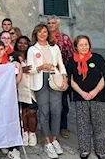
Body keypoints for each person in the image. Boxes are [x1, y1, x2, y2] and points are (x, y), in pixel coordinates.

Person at [67, 35, 105, 159]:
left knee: (98, 124)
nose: (84, 47)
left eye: (86, 44)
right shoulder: (71, 61)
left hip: (97, 96)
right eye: (81, 45)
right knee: (82, 124)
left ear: (89, 45)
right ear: (76, 46)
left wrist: (95, 91)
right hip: (80, 96)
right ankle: (85, 149)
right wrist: (82, 93)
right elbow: (70, 79)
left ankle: (100, 150)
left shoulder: (97, 58)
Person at [27, 23, 68, 159]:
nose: (43, 34)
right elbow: (30, 69)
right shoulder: (32, 49)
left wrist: (64, 78)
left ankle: (55, 138)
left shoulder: (54, 47)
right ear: (36, 34)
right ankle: (47, 142)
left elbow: (61, 64)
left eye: (45, 32)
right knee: (44, 111)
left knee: (57, 110)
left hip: (55, 78)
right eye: (40, 32)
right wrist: (41, 67)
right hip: (40, 80)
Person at [47, 15, 74, 139]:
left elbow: (71, 56)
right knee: (47, 101)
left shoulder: (65, 38)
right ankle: (50, 126)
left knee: (62, 102)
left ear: (58, 24)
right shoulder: (44, 37)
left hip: (61, 73)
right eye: (49, 23)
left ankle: (63, 126)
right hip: (47, 73)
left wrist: (67, 75)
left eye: (53, 23)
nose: (51, 25)